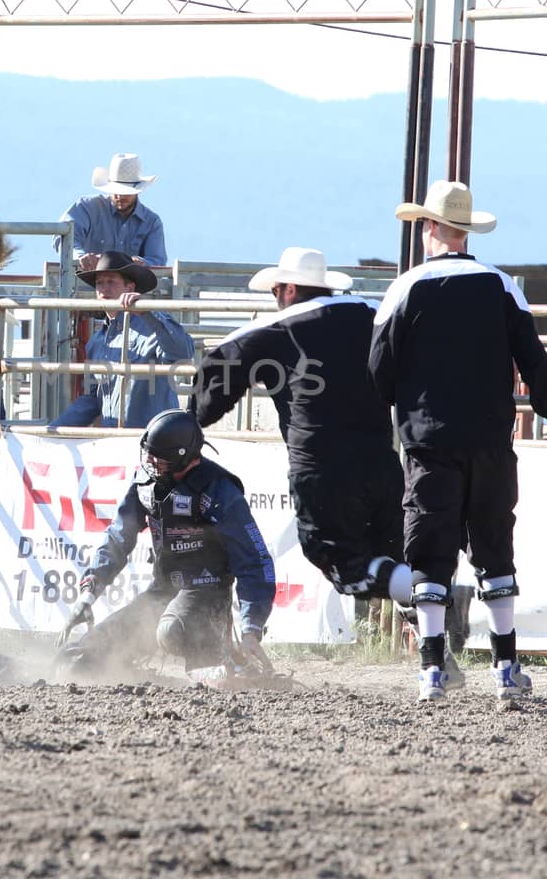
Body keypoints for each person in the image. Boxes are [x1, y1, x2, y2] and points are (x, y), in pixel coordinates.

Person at [370, 181, 547, 703]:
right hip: (490, 439)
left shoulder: (406, 288)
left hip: (428, 442)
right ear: (464, 230)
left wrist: (386, 416)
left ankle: (431, 670)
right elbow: (534, 361)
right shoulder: (501, 286)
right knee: (494, 544)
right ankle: (506, 667)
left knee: (429, 549)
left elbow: (378, 368)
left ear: (431, 229)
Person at [189, 246, 416, 608]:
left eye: (275, 291)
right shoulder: (372, 314)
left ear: (289, 290)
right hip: (382, 463)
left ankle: (435, 597)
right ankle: (434, 642)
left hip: (322, 470)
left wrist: (191, 425)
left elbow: (212, 388)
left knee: (344, 566)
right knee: (392, 556)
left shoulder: (271, 330)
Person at [57, 409, 276, 680]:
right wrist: (88, 594)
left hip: (206, 596)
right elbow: (118, 536)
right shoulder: (146, 484)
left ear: (181, 457)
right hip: (161, 595)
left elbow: (254, 560)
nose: (149, 462)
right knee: (78, 660)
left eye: (157, 457)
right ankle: (139, 675)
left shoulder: (218, 490)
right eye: (147, 453)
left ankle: (234, 665)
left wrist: (251, 628)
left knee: (171, 631)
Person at [49, 252, 195, 430]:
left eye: (111, 281)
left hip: (154, 441)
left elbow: (183, 353)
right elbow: (93, 399)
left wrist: (147, 311)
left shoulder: (151, 327)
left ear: (130, 288)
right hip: (117, 440)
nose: (103, 289)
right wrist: (54, 429)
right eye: (99, 283)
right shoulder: (96, 341)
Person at [55, 153, 167, 271]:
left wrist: (143, 263)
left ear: (138, 191)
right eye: (115, 191)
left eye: (125, 192)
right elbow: (62, 237)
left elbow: (157, 262)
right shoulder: (88, 207)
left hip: (128, 287)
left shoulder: (152, 222)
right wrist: (80, 256)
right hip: (83, 284)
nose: (119, 196)